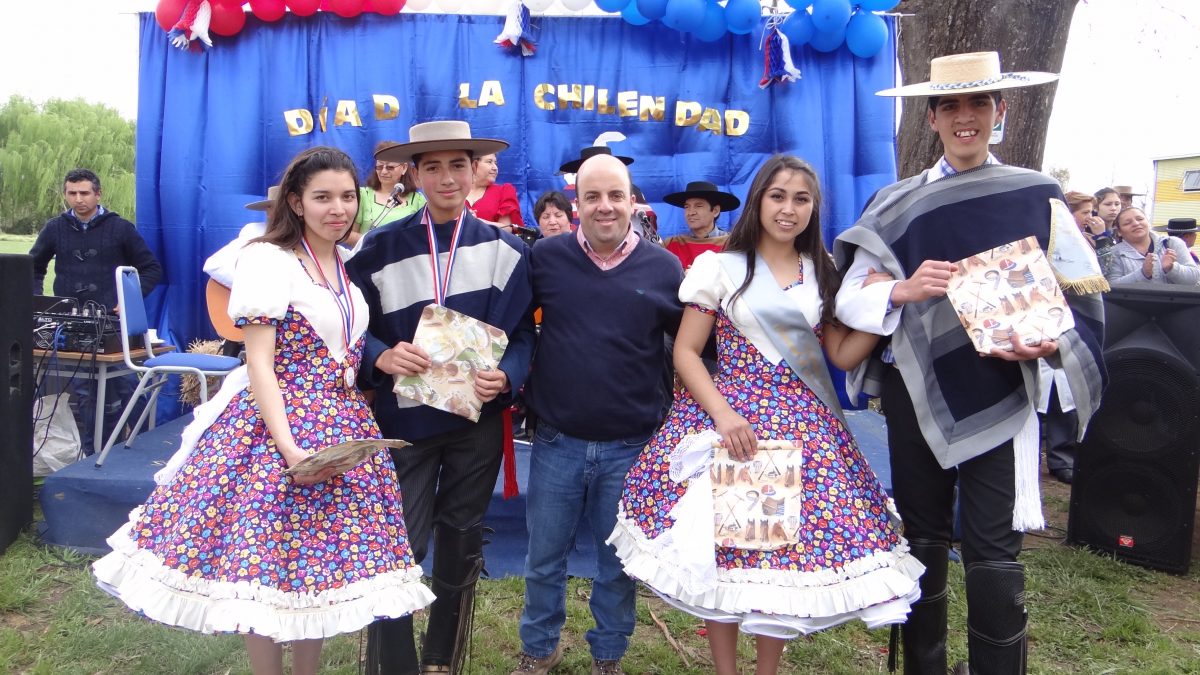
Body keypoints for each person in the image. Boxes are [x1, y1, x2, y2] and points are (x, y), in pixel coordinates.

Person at [91, 146, 434, 675]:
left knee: (317, 565)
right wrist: (290, 448)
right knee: (264, 565)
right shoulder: (269, 260)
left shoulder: (342, 264)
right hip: (278, 427)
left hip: (342, 424)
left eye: (347, 197)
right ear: (296, 202)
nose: (337, 208)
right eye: (322, 197)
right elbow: (260, 366)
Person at [833, 52, 1105, 674]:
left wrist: (1051, 343)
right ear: (931, 117)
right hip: (915, 391)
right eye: (950, 104)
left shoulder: (1036, 193)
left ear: (999, 111)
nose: (965, 117)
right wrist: (901, 290)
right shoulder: (896, 204)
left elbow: (1079, 293)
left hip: (1003, 391)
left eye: (979, 102)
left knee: (994, 549)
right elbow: (847, 299)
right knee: (923, 535)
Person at [609, 155, 923, 675]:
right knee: (726, 556)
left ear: (813, 208)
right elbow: (686, 352)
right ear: (758, 200)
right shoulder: (719, 268)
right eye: (778, 196)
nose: (788, 209)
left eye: (801, 199)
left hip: (802, 430)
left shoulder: (822, 271)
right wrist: (723, 415)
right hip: (732, 426)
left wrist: (888, 301)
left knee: (777, 560)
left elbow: (841, 354)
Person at [346, 120, 536, 675]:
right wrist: (380, 354)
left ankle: (442, 658)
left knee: (460, 538)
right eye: (432, 166)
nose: (447, 177)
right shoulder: (379, 247)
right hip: (403, 422)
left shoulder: (506, 250)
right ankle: (392, 664)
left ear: (476, 170)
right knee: (400, 542)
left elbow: (524, 335)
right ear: (414, 173)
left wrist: (508, 377)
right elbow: (349, 325)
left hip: (476, 419)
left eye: (458, 165)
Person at [511, 153, 683, 675]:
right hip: (557, 441)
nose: (604, 206)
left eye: (615, 195)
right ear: (576, 205)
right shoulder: (546, 259)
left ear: (633, 201)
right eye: (592, 197)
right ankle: (539, 649)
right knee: (544, 559)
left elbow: (691, 348)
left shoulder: (664, 268)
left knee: (617, 564)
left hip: (631, 446)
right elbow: (513, 326)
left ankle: (608, 657)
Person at [29, 168, 163, 455]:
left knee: (127, 386)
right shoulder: (55, 228)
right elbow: (33, 266)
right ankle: (93, 456)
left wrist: (128, 299)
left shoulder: (120, 228)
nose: (78, 199)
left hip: (112, 323)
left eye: (84, 193)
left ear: (98, 194)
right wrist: (38, 301)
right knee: (86, 392)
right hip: (72, 323)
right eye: (72, 193)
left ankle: (145, 449)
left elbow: (151, 269)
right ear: (66, 194)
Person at [347, 141, 428, 247]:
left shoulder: (418, 200)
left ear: (404, 168)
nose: (384, 172)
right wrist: (375, 243)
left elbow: (425, 236)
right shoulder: (363, 195)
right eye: (380, 167)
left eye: (390, 167)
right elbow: (348, 234)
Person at [1105, 207, 1200, 285]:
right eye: (1127, 223)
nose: (1136, 224)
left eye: (1140, 219)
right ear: (1119, 232)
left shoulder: (1172, 243)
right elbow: (1111, 286)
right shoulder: (1114, 253)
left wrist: (1172, 268)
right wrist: (1143, 273)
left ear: (1148, 222)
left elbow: (1194, 279)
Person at [662, 180, 738, 270]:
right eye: (687, 207)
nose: (690, 212)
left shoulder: (732, 245)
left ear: (715, 211)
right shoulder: (671, 245)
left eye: (698, 206)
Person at [467, 152, 525, 230]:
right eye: (489, 162)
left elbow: (507, 229)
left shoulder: (503, 192)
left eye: (495, 163)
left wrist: (476, 222)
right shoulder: (457, 191)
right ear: (474, 165)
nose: (495, 168)